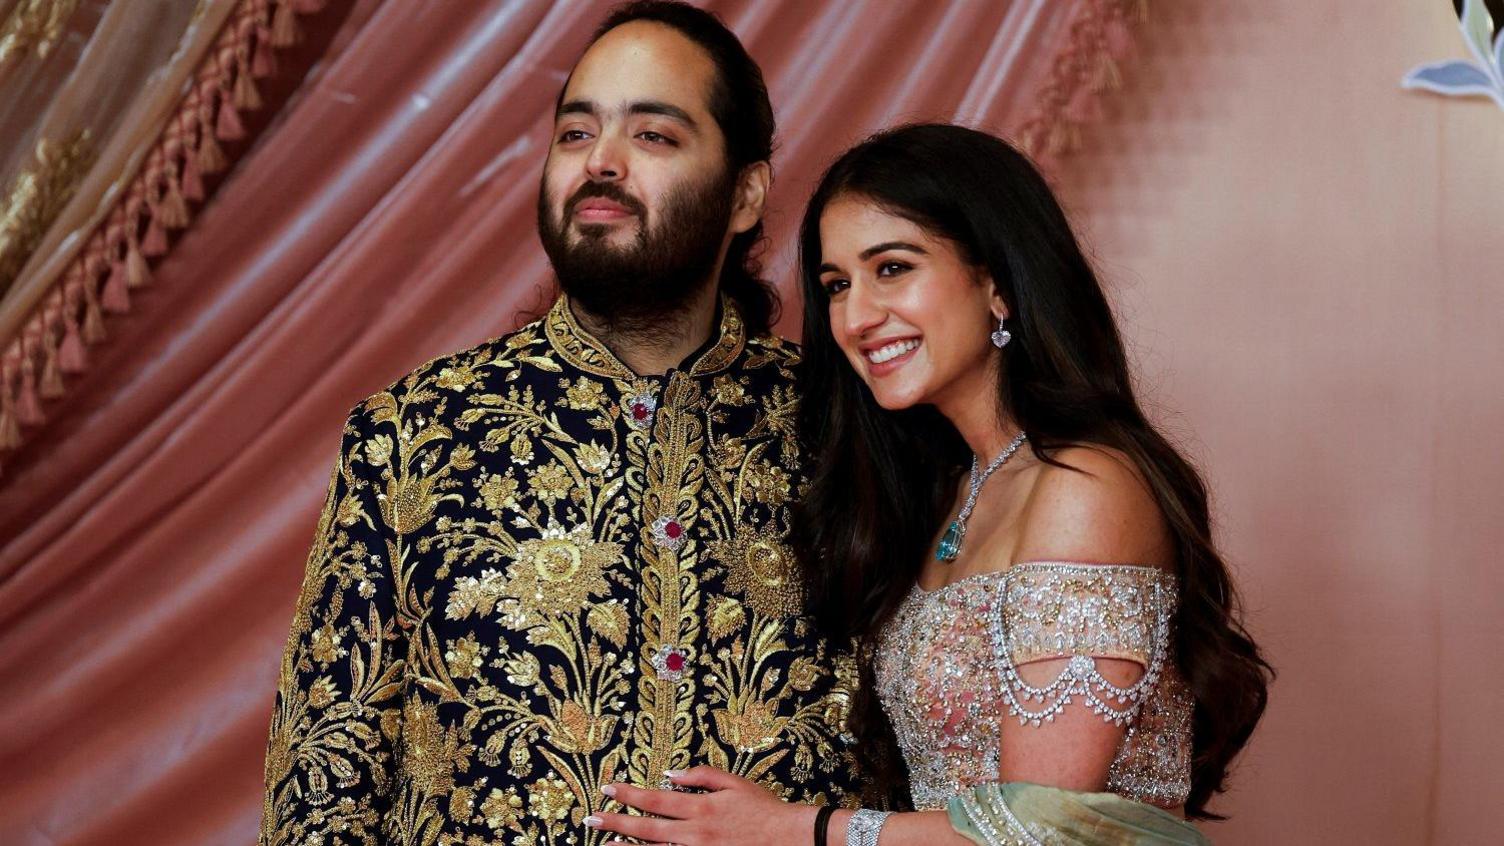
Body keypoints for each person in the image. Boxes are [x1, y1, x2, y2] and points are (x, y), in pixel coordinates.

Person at [258, 4, 875, 844]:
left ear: (744, 194)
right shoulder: (414, 432)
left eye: (654, 136)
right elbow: (323, 786)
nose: (603, 164)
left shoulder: (845, 427)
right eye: (576, 133)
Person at [587, 124, 1272, 845]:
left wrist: (792, 831)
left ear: (996, 282)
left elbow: (1046, 829)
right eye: (836, 285)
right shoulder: (954, 487)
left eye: (893, 269)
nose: (855, 317)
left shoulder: (1085, 485)